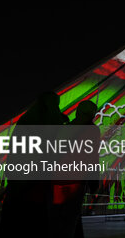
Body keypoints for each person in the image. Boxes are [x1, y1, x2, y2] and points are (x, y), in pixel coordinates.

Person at [0, 91, 68, 238]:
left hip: (21, 179)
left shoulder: (27, 120)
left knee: (15, 219)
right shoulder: (53, 120)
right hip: (38, 182)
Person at [51, 100, 100, 238]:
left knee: (57, 215)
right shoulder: (92, 130)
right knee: (70, 217)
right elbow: (92, 157)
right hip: (76, 180)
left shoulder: (65, 127)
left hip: (57, 179)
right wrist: (93, 181)